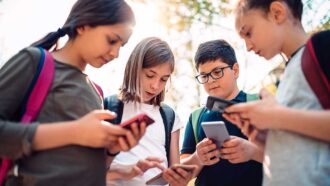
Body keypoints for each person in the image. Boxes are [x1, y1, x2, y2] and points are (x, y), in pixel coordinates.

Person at [0, 0, 146, 185]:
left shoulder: (96, 92)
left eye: (121, 45)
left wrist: (110, 150)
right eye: (111, 40)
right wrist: (74, 132)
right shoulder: (34, 61)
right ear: (83, 25)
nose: (116, 53)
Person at [223, 0, 330, 185]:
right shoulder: (288, 73)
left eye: (248, 32)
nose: (248, 46)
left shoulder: (323, 46)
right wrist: (267, 139)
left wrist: (276, 117)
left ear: (277, 13)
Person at [105, 37, 194, 186]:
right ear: (135, 68)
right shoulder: (109, 107)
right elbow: (92, 171)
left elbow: (176, 177)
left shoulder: (169, 116)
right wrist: (127, 172)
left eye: (164, 79)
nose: (155, 85)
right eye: (150, 75)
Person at [180, 39, 263, 186]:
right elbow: (181, 176)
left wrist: (252, 151)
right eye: (204, 76)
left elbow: (286, 154)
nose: (210, 80)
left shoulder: (259, 103)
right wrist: (198, 158)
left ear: (235, 70)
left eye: (217, 72)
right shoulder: (196, 117)